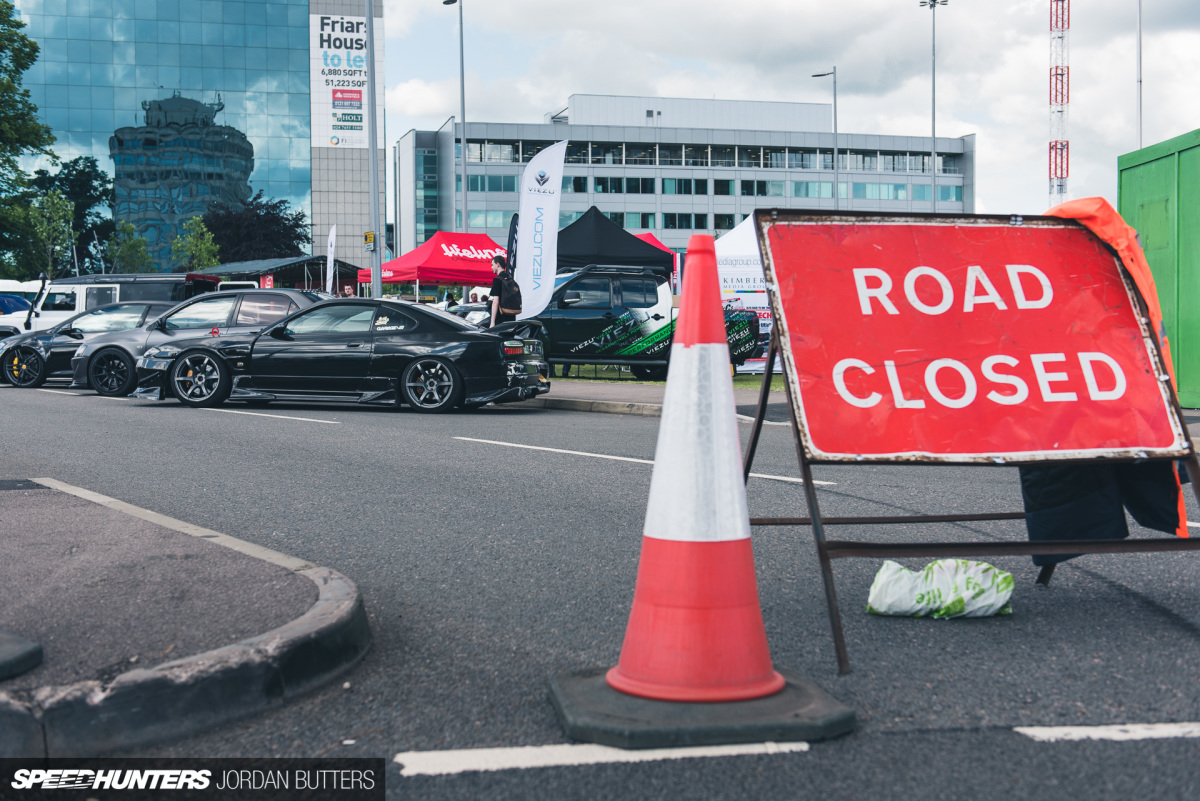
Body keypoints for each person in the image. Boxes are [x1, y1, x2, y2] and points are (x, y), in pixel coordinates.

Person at [489, 255, 522, 327]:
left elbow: (496, 302)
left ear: (498, 264)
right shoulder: (510, 279)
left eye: (492, 264)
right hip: (512, 316)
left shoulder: (497, 280)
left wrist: (492, 322)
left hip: (501, 318)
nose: (491, 267)